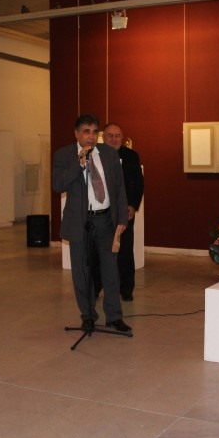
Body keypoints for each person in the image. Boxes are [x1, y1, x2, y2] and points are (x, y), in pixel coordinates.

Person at [52, 114, 131, 333]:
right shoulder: (64, 155)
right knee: (82, 272)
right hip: (80, 222)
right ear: (76, 134)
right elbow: (58, 185)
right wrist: (78, 164)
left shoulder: (109, 154)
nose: (91, 136)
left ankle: (114, 316)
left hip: (106, 220)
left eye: (95, 132)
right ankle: (88, 316)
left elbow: (119, 188)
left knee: (110, 270)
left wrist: (122, 219)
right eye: (86, 132)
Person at [92, 123, 144, 301]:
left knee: (125, 252)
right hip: (102, 213)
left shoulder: (131, 156)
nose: (114, 139)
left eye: (117, 136)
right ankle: (95, 288)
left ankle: (126, 290)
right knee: (98, 252)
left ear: (122, 138)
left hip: (125, 212)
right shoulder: (95, 155)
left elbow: (139, 183)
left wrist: (133, 205)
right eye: (110, 135)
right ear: (103, 137)